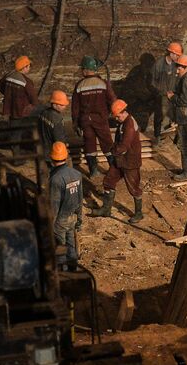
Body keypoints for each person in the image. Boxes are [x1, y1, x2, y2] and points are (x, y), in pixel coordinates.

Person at [91, 99, 143, 223]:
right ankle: (106, 209)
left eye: (117, 116)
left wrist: (111, 152)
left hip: (130, 161)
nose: (116, 119)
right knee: (109, 180)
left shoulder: (129, 125)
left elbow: (124, 146)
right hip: (120, 159)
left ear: (123, 112)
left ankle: (139, 213)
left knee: (133, 187)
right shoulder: (123, 122)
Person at [72, 56, 116, 176]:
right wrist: (114, 114)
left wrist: (75, 123)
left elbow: (75, 107)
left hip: (86, 121)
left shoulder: (79, 85)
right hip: (101, 120)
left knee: (89, 145)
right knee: (107, 144)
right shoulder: (103, 83)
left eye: (82, 69)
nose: (82, 71)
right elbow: (112, 100)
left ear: (86, 70)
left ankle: (93, 171)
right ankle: (113, 169)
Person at [47, 141, 84, 271]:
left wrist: (49, 224)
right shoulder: (77, 174)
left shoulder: (55, 179)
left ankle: (63, 275)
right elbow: (80, 198)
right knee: (71, 246)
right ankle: (74, 271)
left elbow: (54, 205)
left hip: (60, 221)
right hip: (72, 217)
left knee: (60, 249)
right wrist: (79, 219)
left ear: (52, 158)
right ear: (66, 156)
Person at [148, 41, 183, 136]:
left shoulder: (175, 64)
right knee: (160, 115)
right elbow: (152, 82)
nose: (177, 57)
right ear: (171, 53)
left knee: (175, 113)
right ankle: (157, 136)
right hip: (161, 94)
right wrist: (162, 92)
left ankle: (169, 134)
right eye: (176, 55)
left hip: (172, 93)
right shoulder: (159, 64)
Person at [0, 56, 38, 120]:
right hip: (22, 111)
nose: (29, 68)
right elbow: (33, 98)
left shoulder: (9, 75)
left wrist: (7, 94)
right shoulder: (26, 82)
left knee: (12, 122)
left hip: (10, 108)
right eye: (29, 66)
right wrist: (34, 107)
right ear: (25, 67)